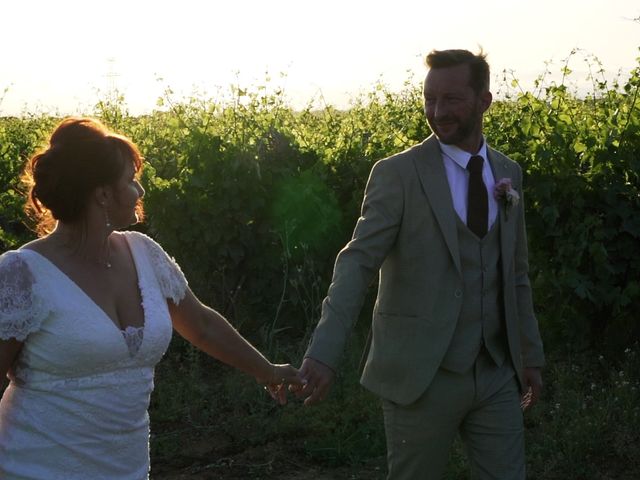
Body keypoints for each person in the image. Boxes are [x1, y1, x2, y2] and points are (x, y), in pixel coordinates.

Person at [0, 117, 301, 479]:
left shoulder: (144, 254)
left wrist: (266, 370)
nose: (139, 191)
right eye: (130, 180)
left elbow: (202, 325)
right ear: (103, 194)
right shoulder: (22, 274)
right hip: (31, 468)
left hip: (127, 469)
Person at [294, 49, 545, 479]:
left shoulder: (508, 173)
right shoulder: (398, 174)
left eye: (451, 99)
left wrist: (530, 356)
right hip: (421, 376)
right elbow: (356, 265)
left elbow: (515, 273)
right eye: (429, 99)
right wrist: (323, 354)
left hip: (496, 371)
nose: (437, 112)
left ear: (484, 101)